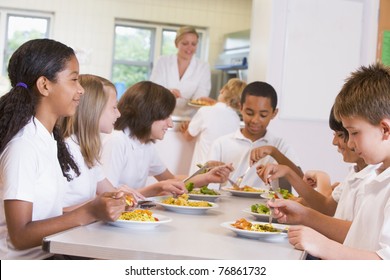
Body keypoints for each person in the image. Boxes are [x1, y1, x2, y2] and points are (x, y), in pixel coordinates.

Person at [0, 39, 127, 260]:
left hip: (52, 253)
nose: (81, 90)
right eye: (74, 80)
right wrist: (88, 212)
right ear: (45, 85)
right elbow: (20, 236)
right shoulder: (23, 147)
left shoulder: (48, 140)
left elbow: (47, 215)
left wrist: (96, 205)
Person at [270, 63, 390, 259]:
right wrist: (303, 214)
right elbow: (356, 239)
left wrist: (322, 245)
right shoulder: (379, 178)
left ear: (385, 129)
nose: (350, 142)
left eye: (354, 133)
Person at [101, 81, 234, 197]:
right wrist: (156, 189)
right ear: (146, 114)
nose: (170, 124)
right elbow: (107, 196)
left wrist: (207, 177)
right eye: (165, 116)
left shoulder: (145, 144)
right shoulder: (117, 141)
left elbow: (172, 180)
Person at [258, 106, 377, 219]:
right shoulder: (354, 172)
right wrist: (289, 173)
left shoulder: (372, 179)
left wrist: (304, 216)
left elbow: (328, 211)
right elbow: (325, 206)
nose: (334, 142)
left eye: (340, 135)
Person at [58, 74, 144, 211]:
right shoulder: (65, 150)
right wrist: (100, 204)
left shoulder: (87, 150)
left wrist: (120, 197)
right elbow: (50, 214)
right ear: (94, 109)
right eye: (114, 107)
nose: (119, 114)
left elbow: (109, 193)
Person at [207, 81, 302, 190]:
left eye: (263, 115)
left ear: (274, 113)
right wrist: (208, 170)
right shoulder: (221, 144)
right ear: (241, 108)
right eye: (249, 113)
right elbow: (208, 187)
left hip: (266, 206)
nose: (255, 120)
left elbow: (301, 180)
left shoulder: (280, 146)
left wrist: (274, 152)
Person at [180, 78, 247, 174]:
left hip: (201, 170)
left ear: (222, 91)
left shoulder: (205, 111)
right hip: (221, 172)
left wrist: (185, 129)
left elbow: (188, 136)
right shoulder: (236, 119)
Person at [150, 26, 211, 117]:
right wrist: (168, 93)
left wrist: (199, 100)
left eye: (193, 44)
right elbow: (154, 89)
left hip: (189, 119)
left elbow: (201, 95)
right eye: (185, 43)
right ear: (176, 43)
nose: (189, 48)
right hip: (162, 116)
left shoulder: (203, 67)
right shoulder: (162, 61)